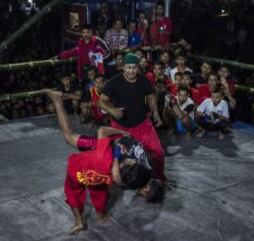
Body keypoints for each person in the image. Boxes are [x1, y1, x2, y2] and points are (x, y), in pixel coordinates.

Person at [44, 89, 152, 235]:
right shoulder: (119, 178)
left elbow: (101, 131)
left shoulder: (108, 158)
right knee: (99, 196)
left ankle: (79, 222)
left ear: (127, 164)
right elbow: (120, 179)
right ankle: (99, 215)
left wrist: (119, 136)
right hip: (97, 177)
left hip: (77, 170)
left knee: (75, 196)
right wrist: (119, 144)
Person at [99, 53, 167, 182]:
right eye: (128, 67)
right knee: (115, 156)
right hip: (120, 127)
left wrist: (156, 113)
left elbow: (151, 96)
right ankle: (118, 179)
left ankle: (159, 177)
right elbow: (101, 101)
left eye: (134, 67)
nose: (131, 71)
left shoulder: (144, 81)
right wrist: (111, 110)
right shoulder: (114, 82)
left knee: (158, 152)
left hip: (142, 124)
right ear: (123, 67)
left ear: (138, 68)